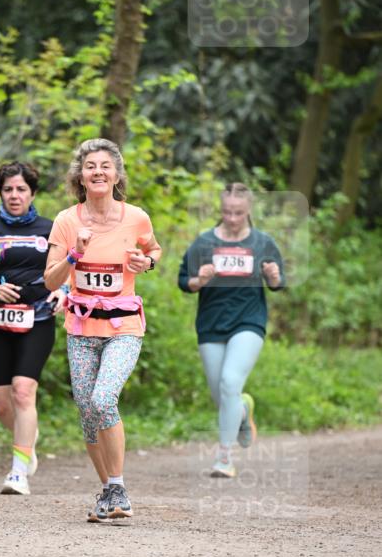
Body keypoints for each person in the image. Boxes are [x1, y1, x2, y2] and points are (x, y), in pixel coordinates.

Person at [45, 138, 162, 523]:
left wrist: (147, 262)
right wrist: (75, 253)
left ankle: (117, 485)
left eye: (105, 166)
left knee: (102, 399)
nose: (97, 171)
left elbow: (153, 250)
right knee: (86, 412)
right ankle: (111, 490)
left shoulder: (136, 217)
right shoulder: (66, 221)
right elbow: (49, 281)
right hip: (80, 327)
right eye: (90, 166)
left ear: (116, 174)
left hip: (123, 325)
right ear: (80, 175)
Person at [0, 161, 66, 495]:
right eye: (8, 189)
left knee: (23, 390)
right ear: (0, 192)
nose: (14, 195)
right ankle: (27, 441)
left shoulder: (52, 229)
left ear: (33, 192)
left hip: (38, 317)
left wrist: (63, 293)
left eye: (21, 189)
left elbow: (67, 272)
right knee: (2, 404)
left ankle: (18, 472)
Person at [178, 182, 285, 477]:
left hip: (249, 322)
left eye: (238, 213)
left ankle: (224, 457)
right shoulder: (204, 243)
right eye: (227, 212)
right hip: (211, 324)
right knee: (222, 395)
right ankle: (242, 411)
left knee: (229, 382)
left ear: (248, 210)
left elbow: (278, 282)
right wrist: (198, 281)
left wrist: (273, 276)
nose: (233, 218)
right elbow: (183, 281)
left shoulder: (262, 242)